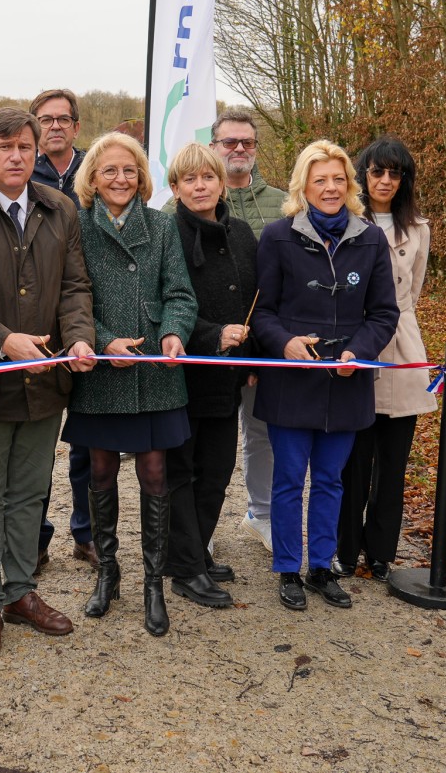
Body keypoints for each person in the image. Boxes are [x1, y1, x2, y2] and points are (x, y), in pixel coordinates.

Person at [0, 107, 95, 655]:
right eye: (4, 146)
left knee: (30, 492)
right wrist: (2, 340)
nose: (16, 156)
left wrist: (80, 338)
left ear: (38, 153)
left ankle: (21, 592)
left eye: (25, 148)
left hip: (45, 382)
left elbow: (75, 288)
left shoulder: (60, 209)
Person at [252, 140, 399, 611]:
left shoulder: (371, 239)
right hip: (292, 381)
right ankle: (288, 569)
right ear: (304, 186)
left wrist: (360, 350)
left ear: (349, 185)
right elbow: (263, 312)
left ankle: (321, 566)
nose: (330, 188)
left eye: (338, 179)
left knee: (332, 479)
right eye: (321, 180)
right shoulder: (276, 236)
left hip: (347, 381)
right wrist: (284, 343)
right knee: (290, 478)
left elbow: (383, 312)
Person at [65, 132, 197, 637]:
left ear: (142, 178)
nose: (120, 179)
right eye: (109, 171)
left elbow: (180, 294)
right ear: (93, 180)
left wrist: (171, 332)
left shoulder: (163, 227)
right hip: (101, 369)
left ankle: (153, 584)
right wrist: (101, 343)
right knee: (99, 471)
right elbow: (70, 301)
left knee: (156, 473)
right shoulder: (76, 227)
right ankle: (109, 573)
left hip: (155, 374)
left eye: (129, 171)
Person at [336, 135, 436, 580]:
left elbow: (411, 292)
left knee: (393, 463)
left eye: (395, 173)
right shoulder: (347, 222)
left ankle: (380, 551)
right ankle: (344, 547)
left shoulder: (418, 228)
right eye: (378, 171)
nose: (386, 180)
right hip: (356, 346)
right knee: (353, 460)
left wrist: (398, 326)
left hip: (404, 352)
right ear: (364, 174)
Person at [163, 144, 258, 609]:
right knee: (181, 469)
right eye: (189, 179)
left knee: (218, 470)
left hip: (227, 376)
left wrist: (252, 357)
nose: (199, 186)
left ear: (221, 182)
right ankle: (184, 567)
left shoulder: (240, 233)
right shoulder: (165, 233)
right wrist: (211, 335)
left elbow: (256, 300)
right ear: (175, 188)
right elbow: (161, 303)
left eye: (207, 177)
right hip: (183, 372)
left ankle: (193, 551)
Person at [208, 108, 285, 555]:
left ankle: (262, 514)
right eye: (229, 142)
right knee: (210, 437)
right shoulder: (189, 199)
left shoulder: (283, 203)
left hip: (264, 343)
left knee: (261, 432)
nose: (239, 150)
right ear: (215, 145)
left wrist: (263, 341)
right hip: (210, 344)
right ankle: (204, 526)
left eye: (247, 143)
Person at [29, 88, 98, 571]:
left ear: (76, 127)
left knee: (88, 438)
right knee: (35, 445)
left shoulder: (98, 170)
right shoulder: (14, 174)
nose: (55, 126)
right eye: (45, 120)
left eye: (63, 119)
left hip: (89, 318)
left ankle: (86, 531)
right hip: (34, 323)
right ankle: (33, 537)